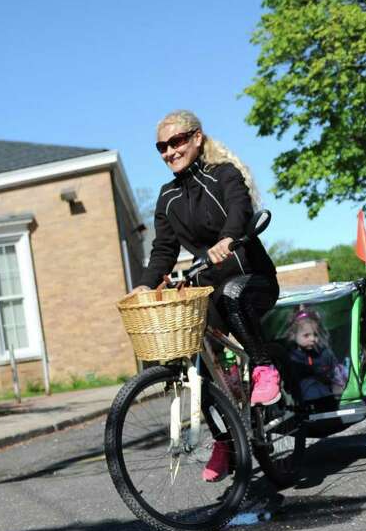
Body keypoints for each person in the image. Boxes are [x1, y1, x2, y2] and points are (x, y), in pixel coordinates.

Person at [133, 109, 282, 482]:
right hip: (209, 290)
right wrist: (146, 285)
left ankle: (265, 368)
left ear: (197, 138)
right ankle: (226, 437)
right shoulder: (167, 199)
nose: (169, 151)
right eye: (162, 147)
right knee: (194, 356)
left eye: (177, 141)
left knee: (233, 294)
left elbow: (239, 210)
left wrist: (228, 240)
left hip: (252, 280)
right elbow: (163, 251)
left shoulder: (224, 174)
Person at [283, 310, 347, 412]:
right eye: (306, 335)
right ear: (293, 335)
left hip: (327, 397)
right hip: (305, 400)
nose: (313, 339)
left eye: (315, 335)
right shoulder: (293, 357)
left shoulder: (323, 354)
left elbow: (333, 372)